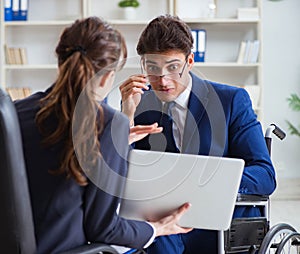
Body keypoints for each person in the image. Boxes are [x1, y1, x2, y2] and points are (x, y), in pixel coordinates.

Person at [14, 16, 193, 254]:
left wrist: (116, 142)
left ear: (60, 62)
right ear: (109, 76)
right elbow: (103, 228)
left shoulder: (15, 111)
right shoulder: (108, 124)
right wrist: (156, 229)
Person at [119, 14, 276, 254]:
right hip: (162, 227)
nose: (162, 80)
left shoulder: (230, 101)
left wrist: (210, 182)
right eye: (152, 68)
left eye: (172, 67)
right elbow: (123, 176)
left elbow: (265, 175)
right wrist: (126, 117)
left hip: (216, 226)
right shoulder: (140, 104)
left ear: (189, 61)